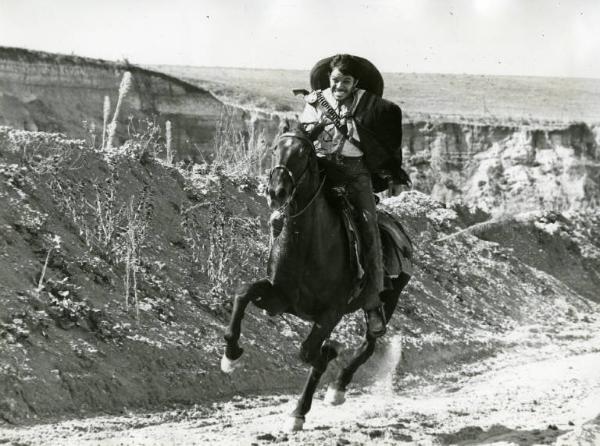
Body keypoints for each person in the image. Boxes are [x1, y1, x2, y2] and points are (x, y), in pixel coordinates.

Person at [299, 54, 408, 338]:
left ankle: (372, 305)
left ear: (355, 82)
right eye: (335, 80)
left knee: (368, 229)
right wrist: (314, 127)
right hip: (320, 168)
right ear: (329, 80)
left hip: (354, 174)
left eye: (346, 81)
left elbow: (381, 137)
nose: (339, 86)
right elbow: (304, 132)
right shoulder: (315, 101)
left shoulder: (370, 106)